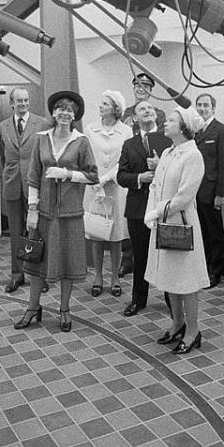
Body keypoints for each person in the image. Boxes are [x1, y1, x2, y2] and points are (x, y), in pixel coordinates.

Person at [13, 91, 98, 334]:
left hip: (70, 215)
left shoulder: (81, 141)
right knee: (36, 261)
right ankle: (32, 308)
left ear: (75, 116)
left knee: (68, 262)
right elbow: (32, 177)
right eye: (60, 108)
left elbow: (93, 176)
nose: (64, 112)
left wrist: (68, 174)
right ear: (53, 112)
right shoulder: (41, 139)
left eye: (70, 109)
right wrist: (32, 209)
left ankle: (64, 309)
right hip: (44, 213)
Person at [144, 104, 209, 353]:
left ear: (183, 128)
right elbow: (157, 185)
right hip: (164, 221)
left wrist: (157, 211)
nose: (165, 123)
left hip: (181, 222)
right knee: (171, 278)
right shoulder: (170, 152)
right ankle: (177, 323)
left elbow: (183, 197)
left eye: (170, 120)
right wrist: (152, 212)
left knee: (187, 280)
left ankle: (193, 331)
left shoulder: (193, 155)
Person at [117, 102, 172, 316]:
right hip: (137, 208)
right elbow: (121, 176)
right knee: (140, 256)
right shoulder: (129, 144)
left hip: (163, 207)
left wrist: (160, 168)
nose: (147, 111)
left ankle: (171, 300)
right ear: (134, 117)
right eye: (142, 109)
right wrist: (139, 177)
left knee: (166, 255)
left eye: (150, 108)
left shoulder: (169, 140)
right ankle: (138, 300)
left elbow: (178, 170)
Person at [0, 87, 47, 293]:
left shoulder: (41, 123)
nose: (23, 103)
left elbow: (45, 154)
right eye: (19, 101)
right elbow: (2, 156)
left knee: (36, 232)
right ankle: (17, 275)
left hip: (35, 186)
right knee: (16, 234)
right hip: (12, 185)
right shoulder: (3, 126)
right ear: (11, 103)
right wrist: (9, 175)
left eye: (26, 100)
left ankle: (39, 276)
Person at [84, 90, 131, 297]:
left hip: (116, 186)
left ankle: (114, 278)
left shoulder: (127, 131)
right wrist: (95, 178)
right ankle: (98, 277)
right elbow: (86, 156)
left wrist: (107, 178)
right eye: (100, 103)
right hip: (94, 187)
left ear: (116, 108)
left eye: (105, 103)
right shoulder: (90, 128)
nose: (101, 106)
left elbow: (125, 160)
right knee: (96, 232)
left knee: (116, 234)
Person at [194, 93, 224, 287]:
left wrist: (221, 194)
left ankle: (215, 271)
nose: (202, 108)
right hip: (194, 192)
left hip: (212, 192)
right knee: (200, 232)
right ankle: (203, 268)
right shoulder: (193, 131)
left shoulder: (222, 131)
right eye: (199, 105)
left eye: (205, 105)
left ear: (213, 108)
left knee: (215, 233)